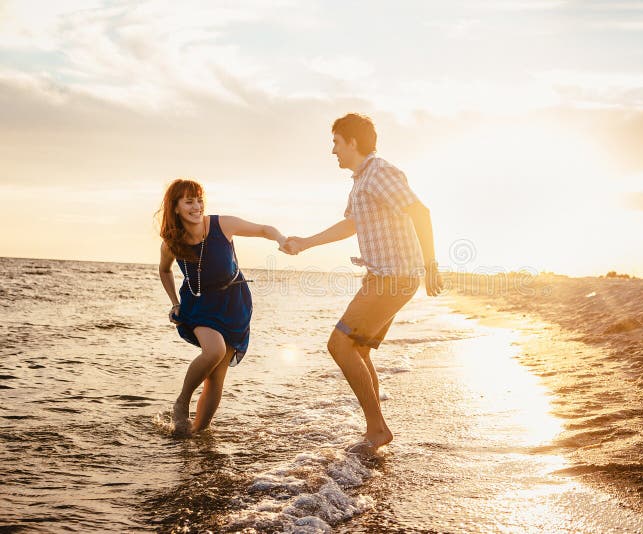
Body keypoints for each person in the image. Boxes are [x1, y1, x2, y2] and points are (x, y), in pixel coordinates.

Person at [283, 113, 443, 453]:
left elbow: (420, 212)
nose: (333, 151)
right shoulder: (360, 181)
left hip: (393, 277)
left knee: (339, 345)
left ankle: (376, 430)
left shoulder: (380, 172)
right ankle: (378, 428)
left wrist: (431, 265)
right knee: (358, 349)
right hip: (384, 277)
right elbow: (351, 225)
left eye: (336, 143)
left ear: (352, 142)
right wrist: (305, 242)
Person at [157, 178, 286, 436]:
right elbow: (164, 270)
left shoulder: (221, 224)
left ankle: (196, 433)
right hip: (200, 304)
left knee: (216, 377)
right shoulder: (172, 242)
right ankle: (182, 401)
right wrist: (174, 303)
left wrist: (281, 239)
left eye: (199, 200)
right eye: (189, 201)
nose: (197, 207)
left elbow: (263, 229)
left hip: (234, 302)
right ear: (175, 208)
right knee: (213, 351)